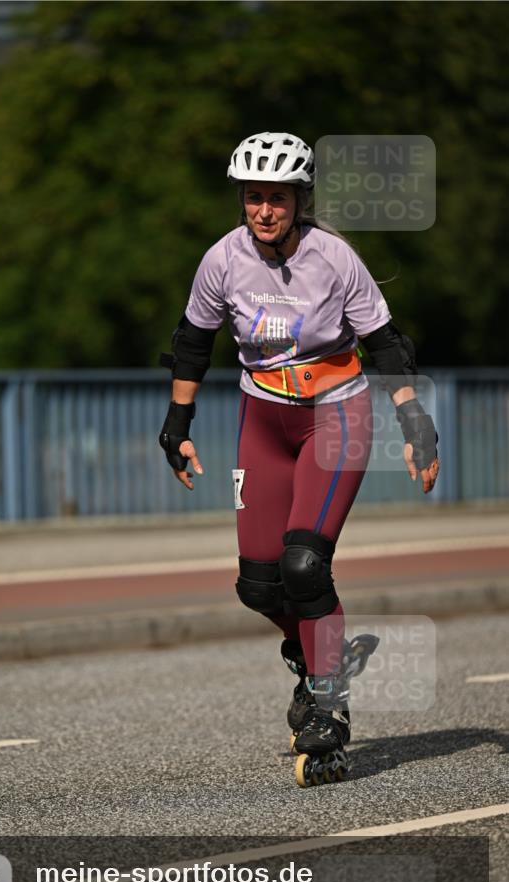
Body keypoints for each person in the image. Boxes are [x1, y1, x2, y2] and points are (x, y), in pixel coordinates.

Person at [159, 132, 439, 786]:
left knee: (304, 563)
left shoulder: (333, 258)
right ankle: (321, 655)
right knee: (257, 585)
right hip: (262, 419)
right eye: (253, 197)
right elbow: (192, 343)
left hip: (334, 415)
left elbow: (386, 344)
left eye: (276, 199)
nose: (263, 211)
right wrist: (177, 424)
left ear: (299, 199)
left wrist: (413, 420)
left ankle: (327, 709)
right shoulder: (220, 261)